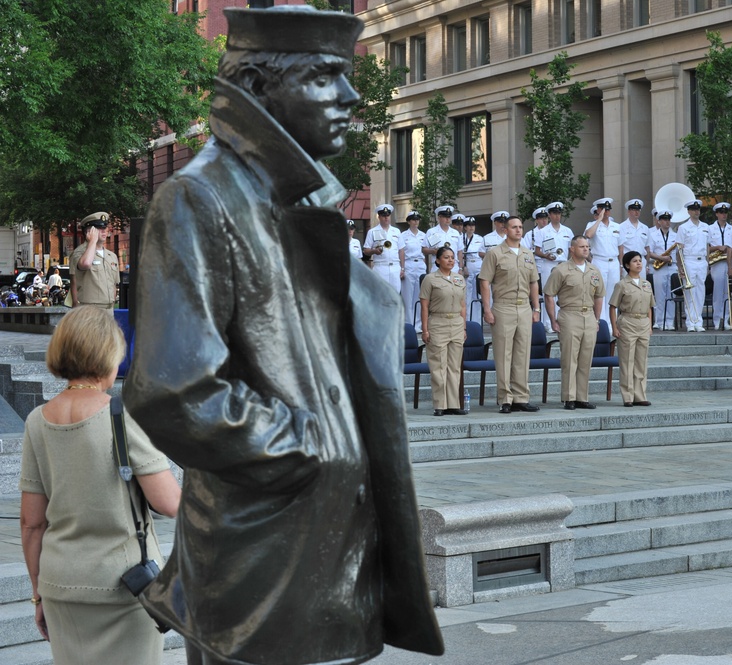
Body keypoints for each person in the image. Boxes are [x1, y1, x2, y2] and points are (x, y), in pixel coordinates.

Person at [123, 7, 444, 664]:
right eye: (327, 76)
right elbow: (173, 387)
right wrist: (308, 448)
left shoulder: (296, 198)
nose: (350, 97)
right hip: (263, 561)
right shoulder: (198, 197)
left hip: (328, 548)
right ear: (264, 85)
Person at [19, 306, 181, 665]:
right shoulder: (121, 415)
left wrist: (38, 594)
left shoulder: (36, 422)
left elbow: (32, 524)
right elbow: (171, 502)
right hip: (126, 588)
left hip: (60, 585)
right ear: (109, 355)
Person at [479, 215, 541, 413]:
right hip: (503, 307)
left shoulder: (527, 254)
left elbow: (534, 282)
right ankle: (505, 398)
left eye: (521, 227)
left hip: (524, 307)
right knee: (504, 353)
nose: (518, 230)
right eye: (514, 227)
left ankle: (521, 397)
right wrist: (487, 309)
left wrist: (536, 308)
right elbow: (485, 282)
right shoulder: (495, 253)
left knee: (522, 354)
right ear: (505, 230)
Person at [544, 235, 604, 410]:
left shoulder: (594, 270)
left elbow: (599, 295)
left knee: (586, 359)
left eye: (587, 247)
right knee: (570, 359)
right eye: (582, 246)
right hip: (569, 315)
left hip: (588, 316)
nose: (586, 249)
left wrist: (596, 318)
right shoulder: (561, 270)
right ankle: (569, 397)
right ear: (572, 249)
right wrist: (553, 320)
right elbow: (549, 294)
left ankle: (581, 397)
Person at [420, 247, 467, 416]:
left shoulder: (459, 279)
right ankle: (440, 404)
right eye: (446, 257)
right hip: (438, 322)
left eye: (453, 258)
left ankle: (453, 404)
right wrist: (424, 330)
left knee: (454, 367)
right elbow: (424, 306)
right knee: (439, 366)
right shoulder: (430, 279)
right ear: (438, 260)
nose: (450, 260)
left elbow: (462, 304)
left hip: (456, 322)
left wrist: (463, 327)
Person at [609, 251, 655, 406]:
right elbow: (613, 306)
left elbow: (650, 306)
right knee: (627, 361)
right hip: (628, 321)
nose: (639, 264)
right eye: (635, 261)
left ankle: (640, 395)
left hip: (643, 322)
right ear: (627, 265)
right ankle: (628, 396)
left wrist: (650, 324)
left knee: (641, 361)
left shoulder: (646, 284)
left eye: (640, 261)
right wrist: (615, 327)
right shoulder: (622, 284)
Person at [69, 212, 119, 308]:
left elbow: (114, 284)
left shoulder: (111, 256)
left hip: (108, 309)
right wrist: (92, 241)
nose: (104, 231)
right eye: (99, 228)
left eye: (105, 227)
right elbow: (86, 264)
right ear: (88, 231)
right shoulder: (80, 253)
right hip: (89, 308)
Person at [674, 199, 710, 332]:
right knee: (690, 292)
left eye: (698, 209)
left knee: (700, 292)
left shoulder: (706, 227)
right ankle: (690, 322)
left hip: (702, 261)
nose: (696, 211)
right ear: (688, 211)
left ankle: (698, 321)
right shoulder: (683, 228)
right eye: (694, 209)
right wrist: (680, 267)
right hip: (689, 260)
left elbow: (707, 246)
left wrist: (708, 264)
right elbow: (679, 250)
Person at [584, 197, 620, 325]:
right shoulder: (591, 225)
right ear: (598, 210)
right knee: (600, 293)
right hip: (599, 260)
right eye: (604, 209)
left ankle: (612, 323)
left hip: (614, 261)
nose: (607, 212)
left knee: (613, 294)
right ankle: (601, 322)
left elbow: (620, 247)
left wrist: (621, 265)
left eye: (608, 209)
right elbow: (588, 235)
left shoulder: (617, 226)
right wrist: (599, 219)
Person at [646, 209, 677, 330]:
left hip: (672, 266)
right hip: (659, 268)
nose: (667, 222)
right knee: (659, 296)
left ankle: (670, 321)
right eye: (664, 219)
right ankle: (659, 321)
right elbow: (650, 252)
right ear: (659, 221)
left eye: (668, 219)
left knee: (671, 295)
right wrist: (662, 258)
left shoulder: (675, 235)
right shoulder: (653, 235)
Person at [363, 203, 404, 292]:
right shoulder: (372, 231)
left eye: (388, 215)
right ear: (379, 217)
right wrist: (374, 251)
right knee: (381, 294)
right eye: (383, 215)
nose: (386, 217)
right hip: (380, 266)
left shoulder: (396, 231)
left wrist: (403, 268)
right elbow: (366, 250)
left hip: (395, 266)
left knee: (395, 294)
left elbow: (401, 250)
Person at [400, 210, 428, 330]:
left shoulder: (423, 235)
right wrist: (402, 268)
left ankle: (418, 324)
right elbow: (400, 252)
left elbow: (426, 252)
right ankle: (408, 324)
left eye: (417, 219)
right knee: (408, 296)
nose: (416, 222)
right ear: (408, 221)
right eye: (413, 219)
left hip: (420, 265)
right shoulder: (403, 235)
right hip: (409, 264)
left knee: (419, 295)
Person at [527, 207, 554, 331]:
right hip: (534, 264)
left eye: (545, 218)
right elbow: (527, 251)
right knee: (540, 294)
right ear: (537, 220)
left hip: (546, 262)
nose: (544, 221)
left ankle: (551, 320)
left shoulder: (551, 231)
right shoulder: (530, 234)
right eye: (541, 219)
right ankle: (542, 320)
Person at [708, 202, 732, 330]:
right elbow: (707, 247)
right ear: (717, 214)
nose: (724, 215)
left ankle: (726, 319)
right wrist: (718, 247)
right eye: (721, 213)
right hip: (716, 263)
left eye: (725, 212)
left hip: (728, 262)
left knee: (726, 293)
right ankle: (717, 319)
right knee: (717, 293)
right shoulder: (710, 229)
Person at [460, 216, 485, 324]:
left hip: (478, 265)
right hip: (467, 265)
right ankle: (467, 319)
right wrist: (463, 267)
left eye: (473, 225)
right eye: (469, 225)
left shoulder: (479, 238)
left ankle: (477, 321)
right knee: (467, 295)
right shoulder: (461, 238)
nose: (471, 228)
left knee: (478, 295)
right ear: (465, 227)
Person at [618, 198, 650, 277]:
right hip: (628, 261)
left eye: (638, 210)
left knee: (641, 287)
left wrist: (647, 265)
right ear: (629, 211)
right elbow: (620, 248)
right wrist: (621, 265)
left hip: (641, 261)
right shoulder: (621, 227)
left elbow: (647, 248)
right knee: (628, 287)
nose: (637, 212)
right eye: (634, 209)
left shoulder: (645, 228)